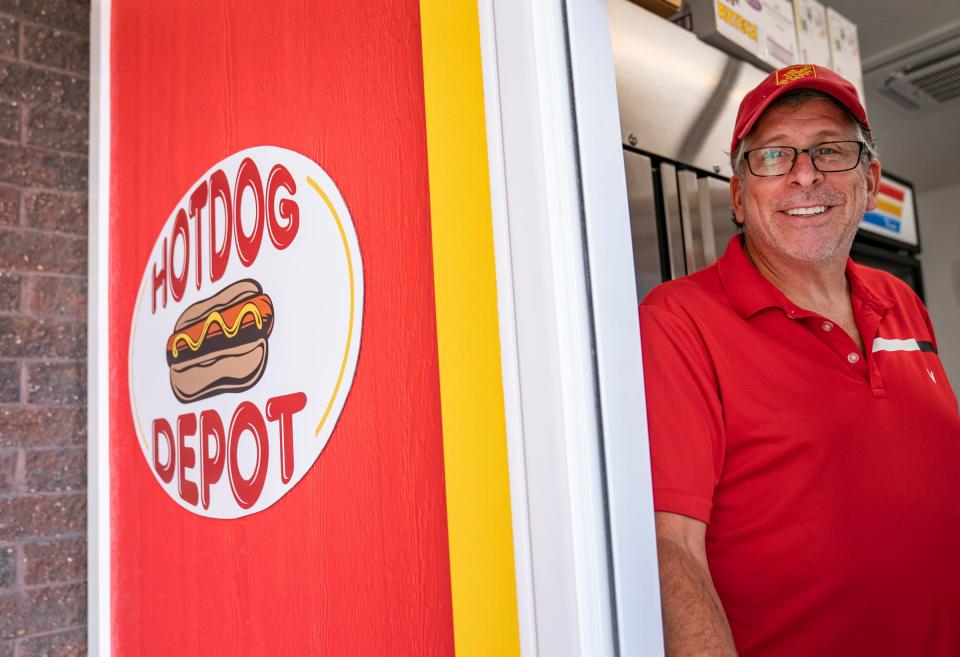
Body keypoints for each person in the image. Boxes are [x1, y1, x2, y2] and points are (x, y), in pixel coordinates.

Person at [639, 64, 960, 657]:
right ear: (739, 194)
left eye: (830, 150)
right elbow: (669, 547)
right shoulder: (678, 321)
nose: (805, 175)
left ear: (870, 180)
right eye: (773, 156)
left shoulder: (902, 302)